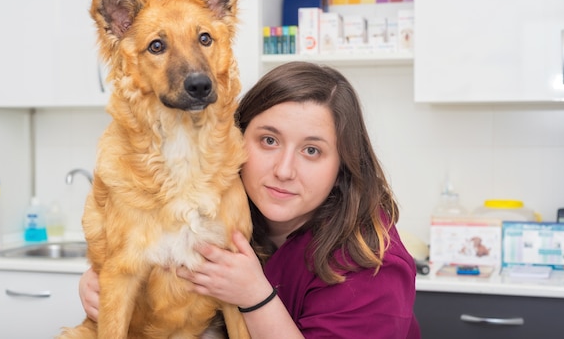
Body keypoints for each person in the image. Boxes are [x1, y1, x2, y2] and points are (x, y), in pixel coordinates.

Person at [79, 61, 420, 338]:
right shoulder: (223, 213)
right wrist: (100, 284)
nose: (284, 170)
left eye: (312, 150)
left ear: (343, 164)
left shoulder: (372, 264)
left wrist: (255, 296)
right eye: (268, 141)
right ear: (234, 137)